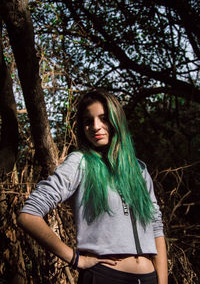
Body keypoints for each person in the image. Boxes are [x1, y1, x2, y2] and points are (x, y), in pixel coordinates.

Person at [18, 90, 168, 284]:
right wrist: (75, 258)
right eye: (88, 121)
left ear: (117, 121)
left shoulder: (138, 170)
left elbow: (156, 227)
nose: (96, 127)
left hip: (149, 278)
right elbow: (28, 216)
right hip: (104, 277)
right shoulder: (80, 162)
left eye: (104, 118)